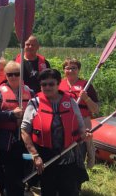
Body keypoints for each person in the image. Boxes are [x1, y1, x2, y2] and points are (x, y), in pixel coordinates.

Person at [21, 68, 91, 196]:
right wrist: (35, 155)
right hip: (45, 156)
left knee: (69, 190)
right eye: (44, 84)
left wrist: (84, 134)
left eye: (51, 84)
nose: (47, 87)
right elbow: (24, 130)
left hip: (68, 153)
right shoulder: (34, 103)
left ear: (58, 84)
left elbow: (81, 127)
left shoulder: (70, 102)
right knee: (48, 190)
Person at [0, 61, 34, 196]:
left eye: (16, 74)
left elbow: (37, 113)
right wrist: (12, 114)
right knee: (3, 169)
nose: (13, 77)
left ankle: (19, 191)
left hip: (23, 138)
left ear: (21, 75)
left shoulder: (29, 92)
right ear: (5, 75)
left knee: (22, 168)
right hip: (5, 138)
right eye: (10, 74)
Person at [59, 58, 99, 169]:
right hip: (64, 123)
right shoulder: (58, 84)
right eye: (67, 68)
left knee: (79, 152)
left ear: (78, 70)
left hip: (82, 123)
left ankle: (78, 179)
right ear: (64, 70)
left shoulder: (87, 86)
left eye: (74, 68)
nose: (70, 71)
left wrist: (86, 98)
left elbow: (96, 110)